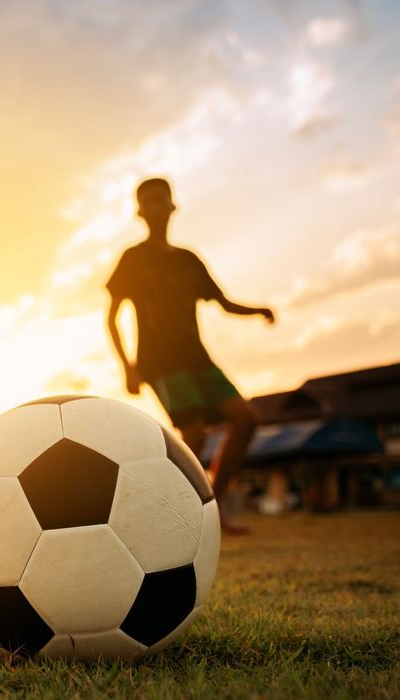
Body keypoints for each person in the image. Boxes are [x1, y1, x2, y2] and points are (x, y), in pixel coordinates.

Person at [105, 177, 275, 535]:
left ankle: (213, 505)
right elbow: (111, 317)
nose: (154, 207)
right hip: (159, 362)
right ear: (139, 212)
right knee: (193, 436)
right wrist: (128, 367)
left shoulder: (187, 260)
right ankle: (172, 517)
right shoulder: (133, 259)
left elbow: (224, 302)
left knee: (246, 419)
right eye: (146, 202)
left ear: (172, 206)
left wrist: (258, 310)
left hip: (198, 358)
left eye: (160, 200)